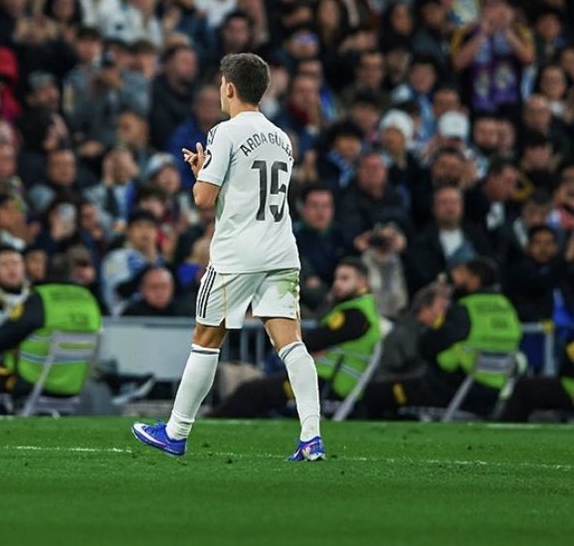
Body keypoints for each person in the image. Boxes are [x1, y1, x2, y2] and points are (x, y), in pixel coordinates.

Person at [131, 53, 325, 461]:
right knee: (291, 344)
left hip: (237, 252)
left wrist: (201, 172)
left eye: (222, 84)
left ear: (230, 88)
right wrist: (211, 169)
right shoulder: (282, 138)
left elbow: (204, 199)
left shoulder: (225, 132)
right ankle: (311, 437)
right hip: (280, 249)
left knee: (206, 340)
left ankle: (176, 432)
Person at [215, 258, 382, 418]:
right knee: (256, 390)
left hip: (328, 383)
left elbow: (312, 340)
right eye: (336, 278)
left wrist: (313, 346)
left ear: (362, 282)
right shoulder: (359, 308)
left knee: (252, 391)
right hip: (323, 379)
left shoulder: (354, 313)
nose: (337, 284)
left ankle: (212, 420)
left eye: (345, 279)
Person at [365, 258, 522, 418]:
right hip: (495, 390)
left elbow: (430, 346)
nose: (456, 278)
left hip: (456, 389)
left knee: (375, 393)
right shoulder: (506, 306)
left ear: (475, 278)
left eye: (462, 273)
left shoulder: (467, 307)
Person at [0, 256, 102, 414]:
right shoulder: (90, 300)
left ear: (43, 272)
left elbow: (4, 336)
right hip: (74, 385)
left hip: (32, 381)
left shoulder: (42, 299)